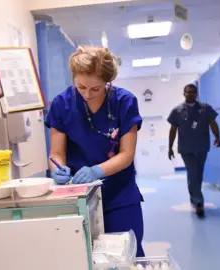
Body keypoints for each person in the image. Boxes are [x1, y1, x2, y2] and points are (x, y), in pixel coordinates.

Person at [45, 46, 145, 257]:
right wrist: (57, 168)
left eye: (95, 89)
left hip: (120, 194)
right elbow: (56, 152)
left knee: (127, 256)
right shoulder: (62, 104)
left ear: (108, 82)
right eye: (81, 87)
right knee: (83, 259)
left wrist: (96, 171)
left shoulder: (124, 103)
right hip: (79, 197)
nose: (87, 95)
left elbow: (127, 154)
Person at [167, 84, 220, 217]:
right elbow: (173, 130)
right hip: (186, 149)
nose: (190, 94)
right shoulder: (177, 110)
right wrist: (170, 147)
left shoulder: (205, 108)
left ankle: (194, 197)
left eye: (193, 92)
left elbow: (213, 123)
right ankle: (199, 203)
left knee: (198, 175)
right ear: (184, 93)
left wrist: (218, 137)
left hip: (202, 147)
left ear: (197, 93)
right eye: (188, 92)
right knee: (192, 173)